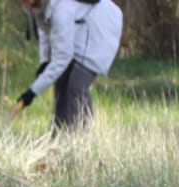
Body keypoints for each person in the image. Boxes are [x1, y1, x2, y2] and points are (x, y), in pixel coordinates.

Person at [12, 0, 123, 130]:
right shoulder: (36, 6)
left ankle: (81, 137)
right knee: (61, 83)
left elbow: (62, 58)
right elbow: (44, 31)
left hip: (101, 29)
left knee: (76, 85)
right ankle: (59, 133)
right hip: (80, 29)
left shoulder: (62, 9)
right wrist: (44, 61)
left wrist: (32, 92)